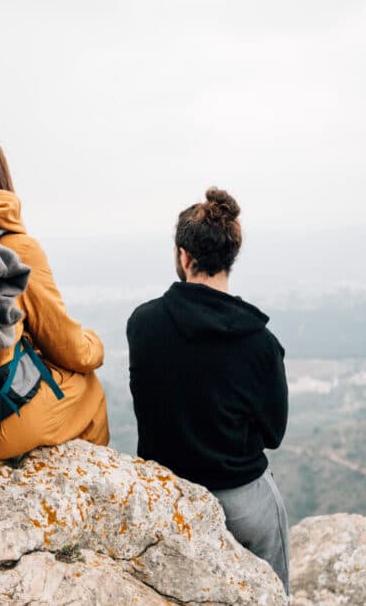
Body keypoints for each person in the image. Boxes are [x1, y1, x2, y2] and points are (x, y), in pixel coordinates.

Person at [126, 188, 290, 593]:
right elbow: (274, 434)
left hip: (168, 494)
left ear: (184, 256)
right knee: (271, 594)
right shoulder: (260, 342)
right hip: (242, 501)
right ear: (231, 256)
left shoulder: (142, 324)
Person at [0, 134, 110, 459]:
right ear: (1, 178)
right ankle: (89, 493)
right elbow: (68, 348)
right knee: (89, 390)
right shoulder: (16, 248)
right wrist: (94, 345)